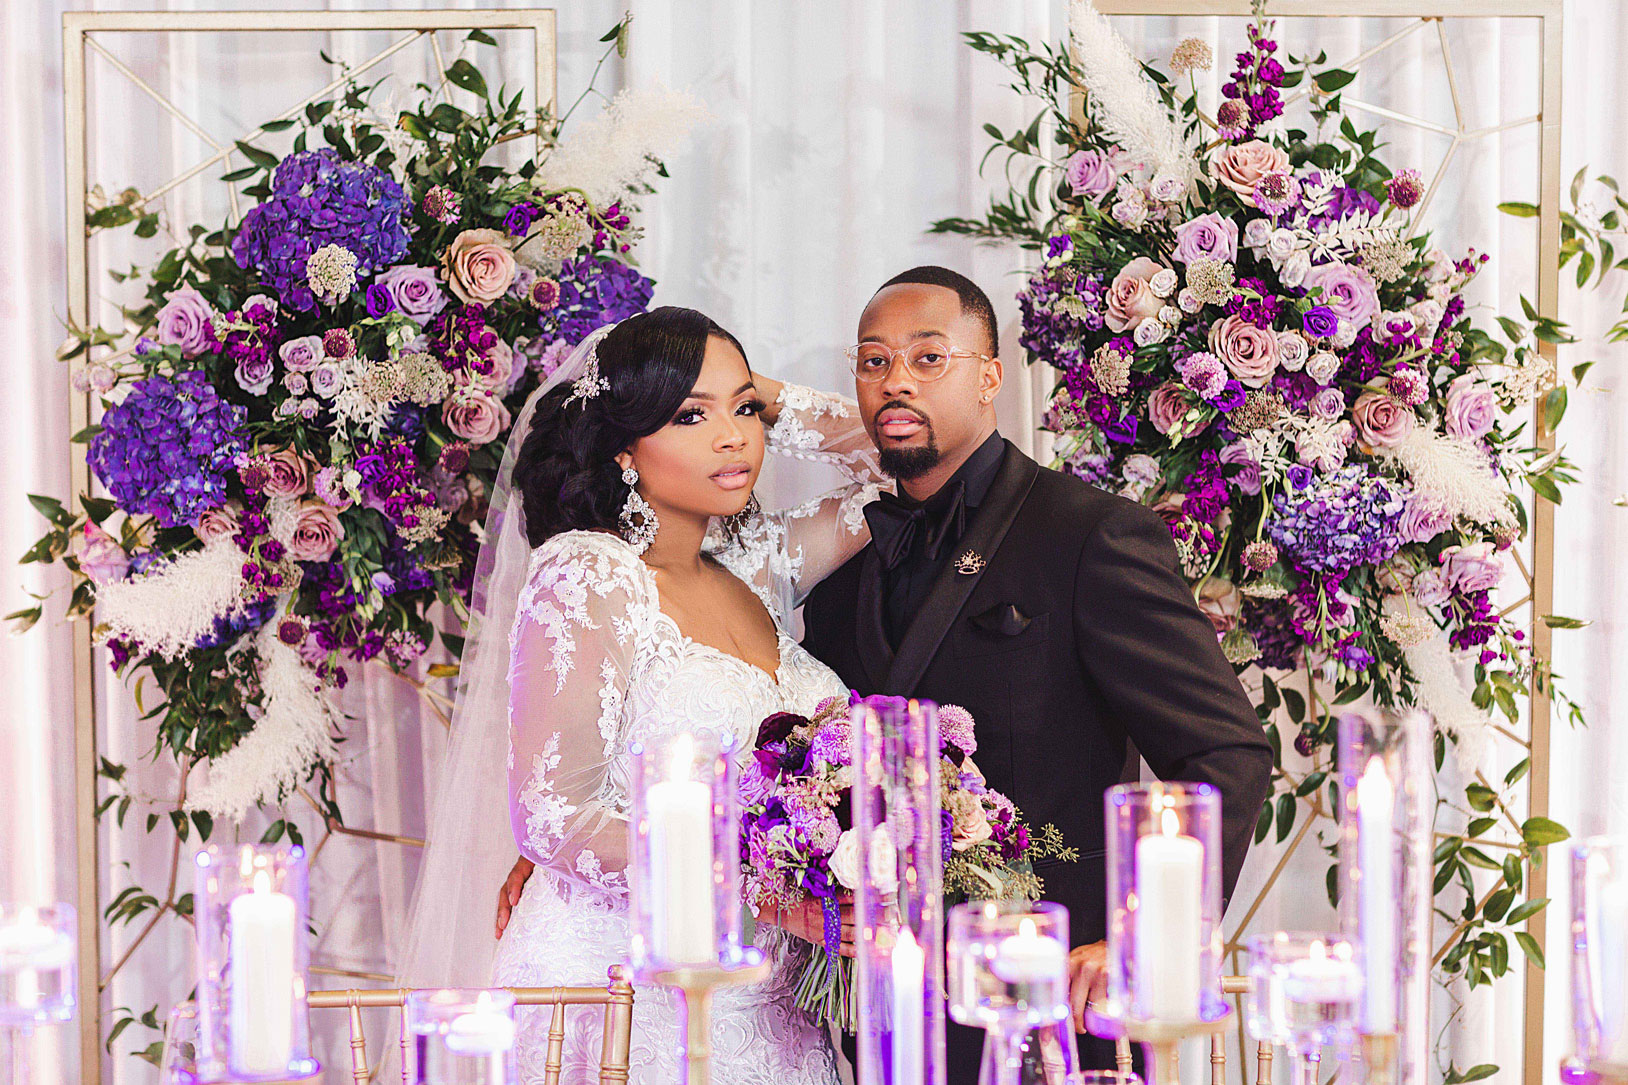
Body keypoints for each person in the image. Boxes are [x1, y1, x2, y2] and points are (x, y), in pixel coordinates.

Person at [797, 267, 1274, 1078]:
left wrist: (1140, 939)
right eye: (873, 362)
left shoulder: (1092, 535)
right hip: (877, 1021)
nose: (896, 381)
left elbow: (1226, 754)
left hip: (1053, 1016)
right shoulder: (840, 570)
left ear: (990, 376)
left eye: (928, 356)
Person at [404, 306, 884, 1084]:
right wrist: (767, 894)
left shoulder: (755, 568)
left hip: (768, 1009)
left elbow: (900, 460)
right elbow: (554, 816)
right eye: (690, 415)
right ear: (625, 447)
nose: (734, 437)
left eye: (745, 411)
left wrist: (765, 394)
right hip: (621, 990)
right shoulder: (589, 572)